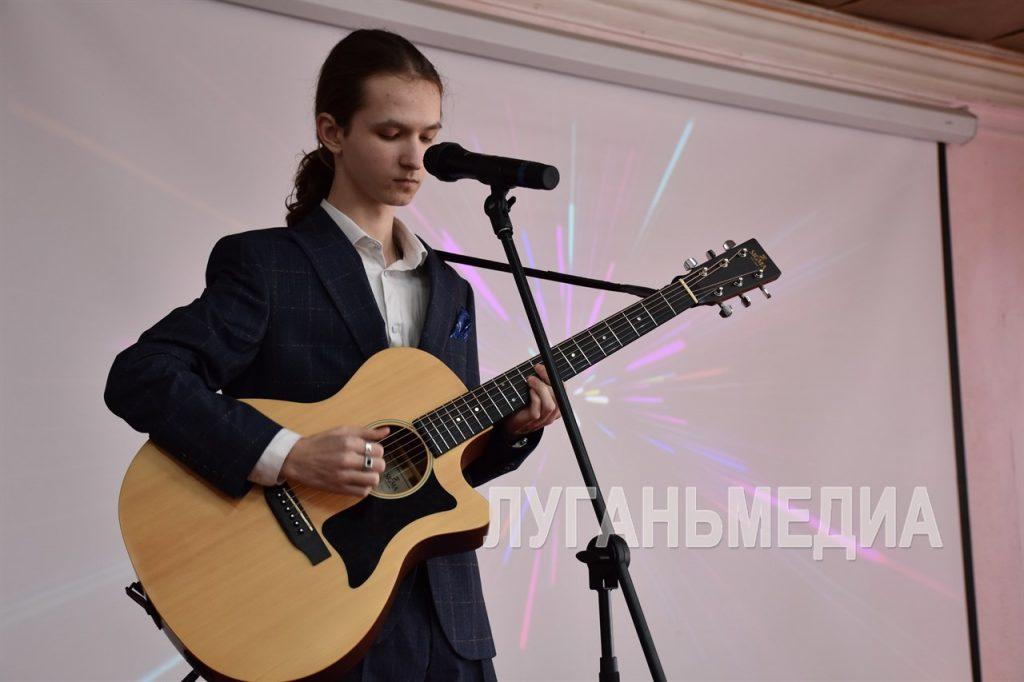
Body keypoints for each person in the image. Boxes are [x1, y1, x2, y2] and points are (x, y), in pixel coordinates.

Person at [104, 29, 561, 681]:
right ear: (332, 132)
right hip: (311, 618)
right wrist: (288, 454)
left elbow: (435, 468)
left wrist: (512, 432)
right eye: (391, 133)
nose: (415, 158)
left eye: (428, 137)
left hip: (448, 629)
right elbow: (142, 376)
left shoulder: (452, 289)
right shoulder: (268, 265)